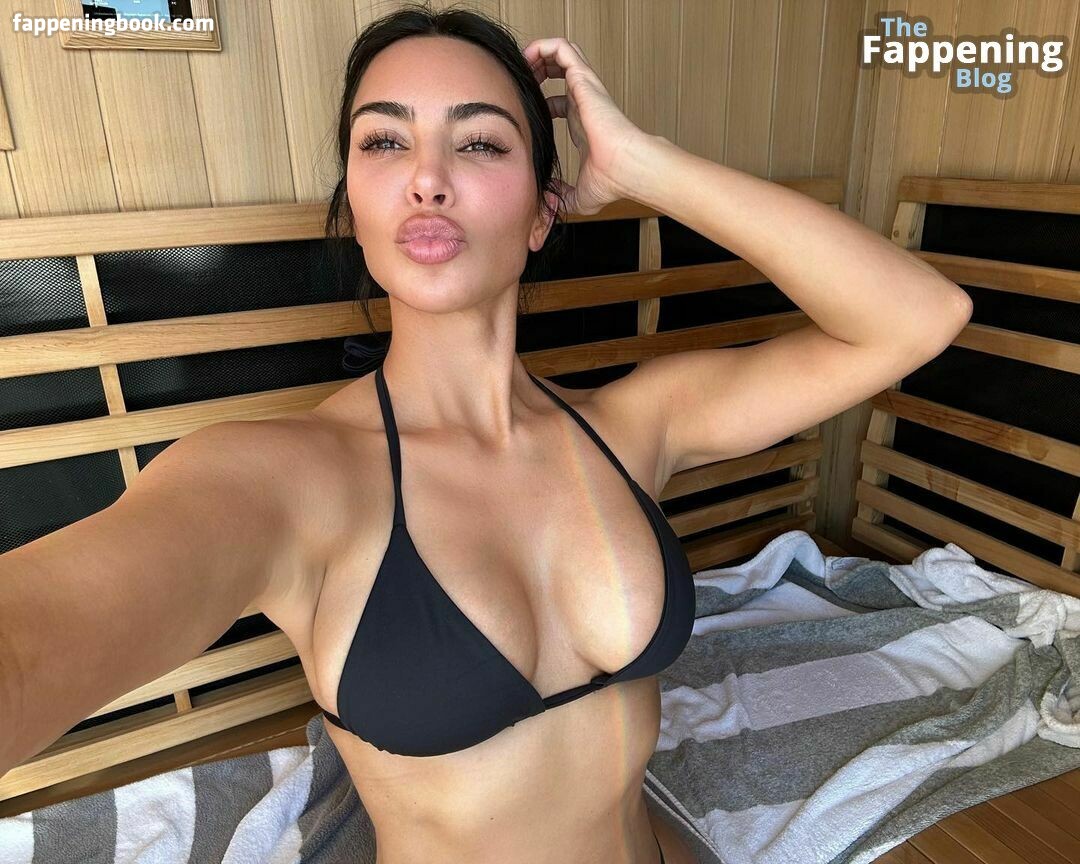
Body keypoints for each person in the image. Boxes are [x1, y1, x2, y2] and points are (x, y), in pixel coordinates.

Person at [0, 4, 972, 863]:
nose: (427, 178)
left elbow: (919, 317)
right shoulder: (281, 481)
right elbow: (28, 647)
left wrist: (645, 165)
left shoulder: (633, 426)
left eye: (479, 144)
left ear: (546, 210)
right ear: (354, 204)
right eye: (385, 142)